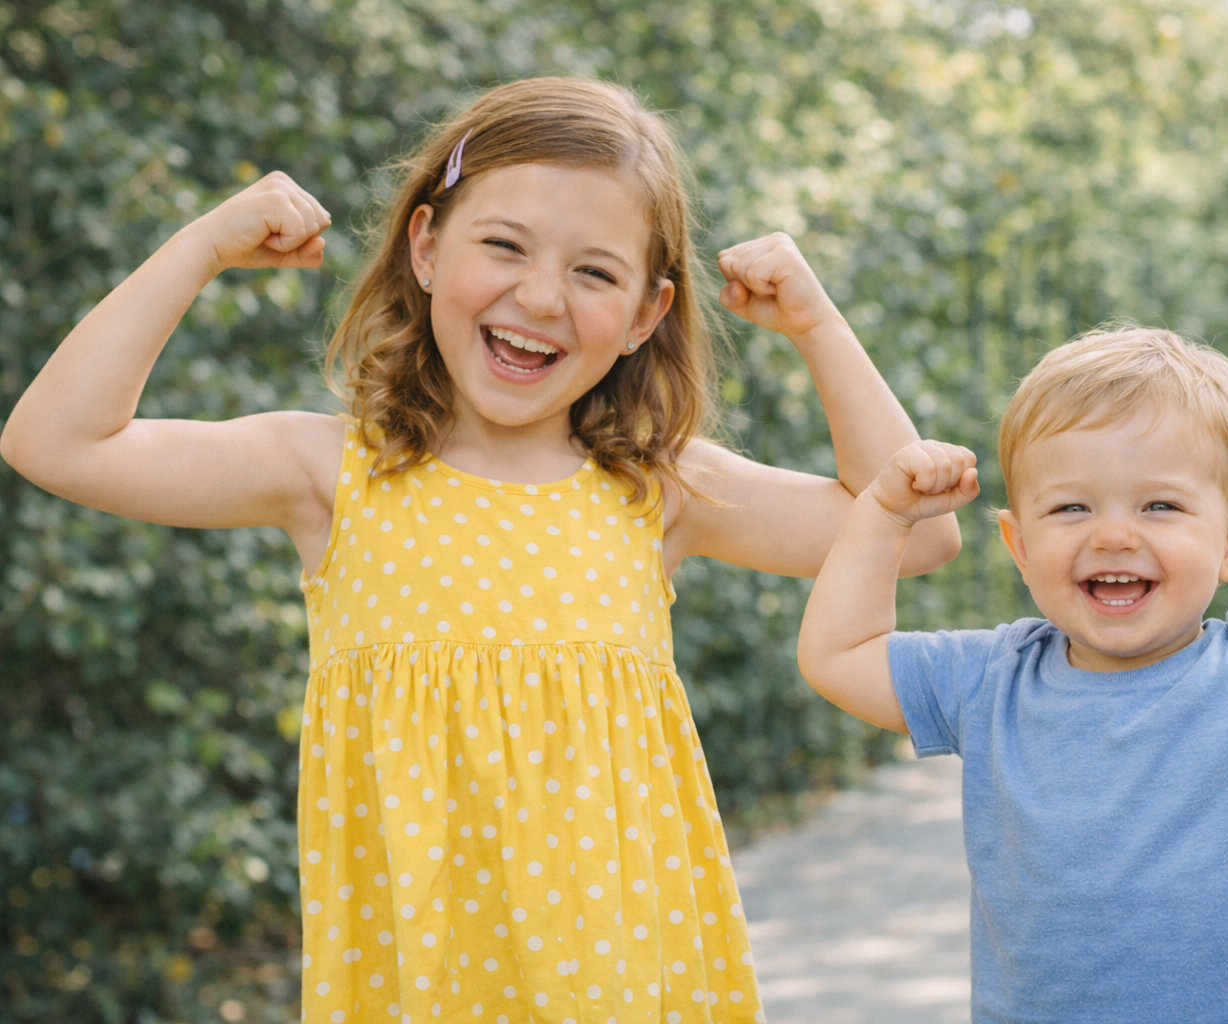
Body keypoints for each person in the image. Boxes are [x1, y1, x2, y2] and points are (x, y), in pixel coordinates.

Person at [0, 77, 961, 1023]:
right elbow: (55, 443)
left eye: (595, 271)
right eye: (502, 245)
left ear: (644, 316)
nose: (540, 295)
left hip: (622, 977)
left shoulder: (656, 488)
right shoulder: (331, 472)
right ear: (424, 245)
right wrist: (202, 246)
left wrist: (816, 325)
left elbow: (914, 529)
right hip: (419, 983)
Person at [795, 326, 1228, 1023]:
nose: (1112, 533)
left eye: (1160, 505)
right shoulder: (991, 680)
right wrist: (884, 516)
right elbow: (840, 654)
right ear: (1018, 543)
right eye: (1071, 506)